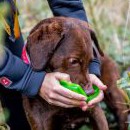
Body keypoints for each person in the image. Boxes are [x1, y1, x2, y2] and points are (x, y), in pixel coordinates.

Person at [0, 0, 107, 130]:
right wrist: (31, 79)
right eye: (73, 61)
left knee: (17, 99)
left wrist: (91, 68)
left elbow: (68, 4)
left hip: (5, 14)